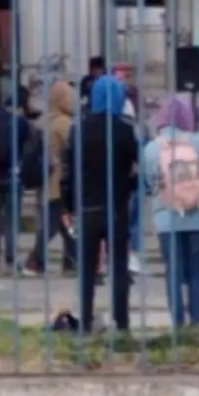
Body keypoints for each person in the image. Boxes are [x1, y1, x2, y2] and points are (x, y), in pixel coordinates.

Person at [61, 75, 137, 333]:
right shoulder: (125, 130)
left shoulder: (78, 130)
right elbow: (135, 171)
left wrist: (68, 205)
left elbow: (68, 172)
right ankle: (122, 322)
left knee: (87, 270)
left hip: (88, 208)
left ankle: (85, 321)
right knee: (118, 268)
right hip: (116, 208)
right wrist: (128, 190)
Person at [143, 94, 199, 329]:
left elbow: (148, 183)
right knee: (196, 269)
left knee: (173, 269)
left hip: (167, 218)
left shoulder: (152, 147)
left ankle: (177, 322)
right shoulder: (198, 142)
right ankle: (196, 320)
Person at [22, 80, 76, 276]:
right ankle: (34, 261)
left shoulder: (47, 120)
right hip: (62, 183)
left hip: (50, 181)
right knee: (55, 225)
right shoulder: (64, 123)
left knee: (66, 225)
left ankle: (71, 261)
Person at [0, 86, 32, 270]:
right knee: (12, 219)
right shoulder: (21, 123)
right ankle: (11, 257)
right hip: (13, 175)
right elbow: (27, 148)